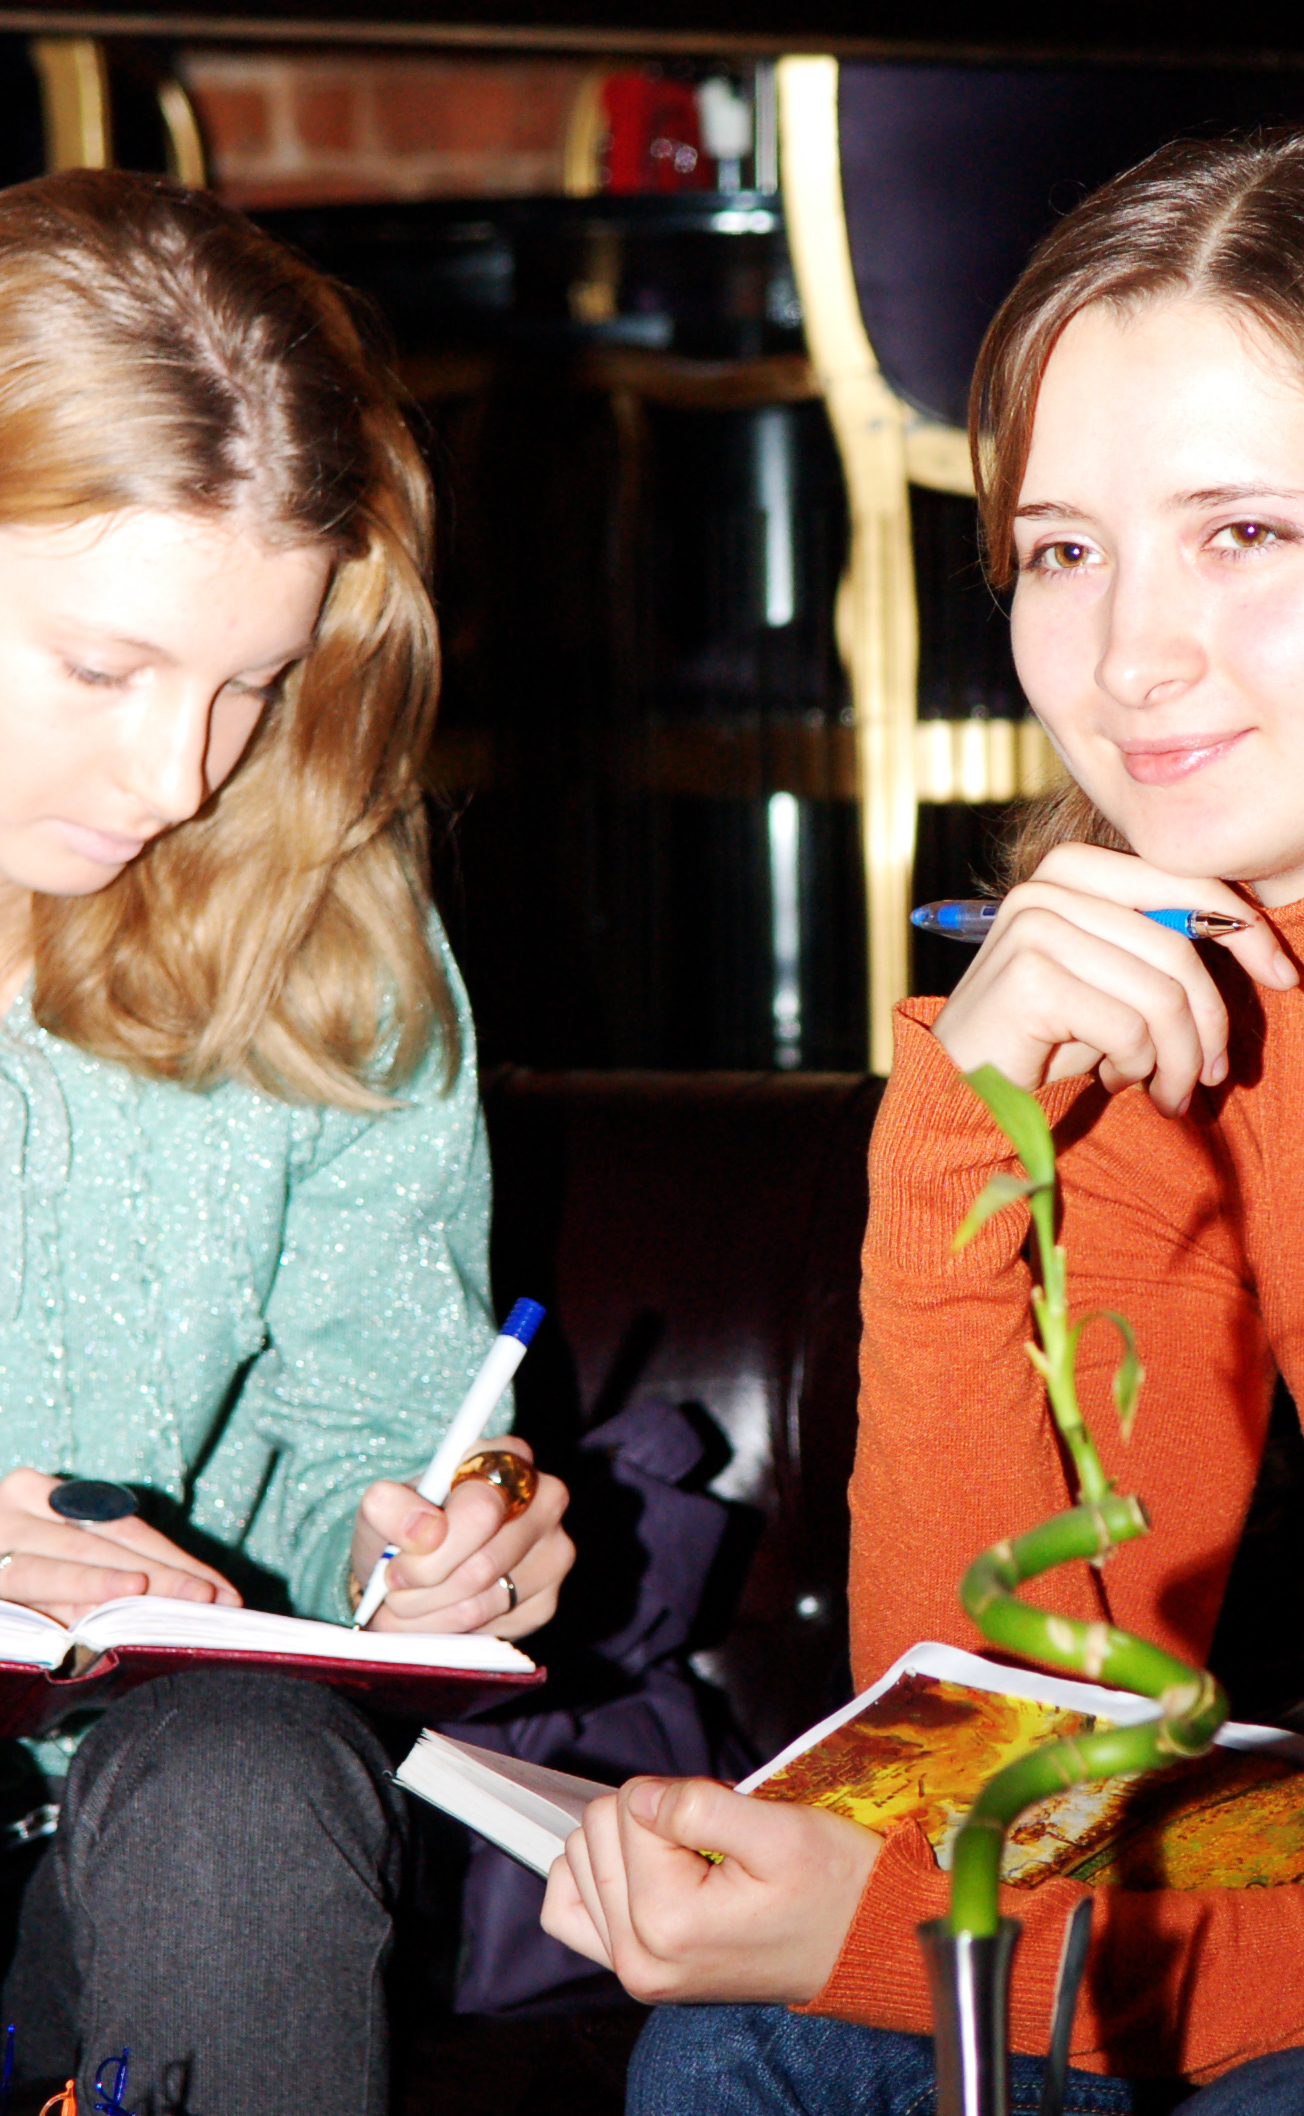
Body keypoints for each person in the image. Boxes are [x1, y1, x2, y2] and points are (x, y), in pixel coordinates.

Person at [539, 127, 1304, 2113]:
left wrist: (897, 1940)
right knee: (751, 2048)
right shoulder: (1167, 981)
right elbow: (1010, 1759)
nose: (1126, 657)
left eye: (1241, 533)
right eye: (1062, 550)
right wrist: (960, 1141)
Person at [0, 167, 574, 2112]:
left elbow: (372, 1421)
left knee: (247, 1780)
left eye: (251, 683)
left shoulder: (320, 933)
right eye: (105, 670)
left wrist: (421, 1548)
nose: (179, 774)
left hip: (155, 1811)